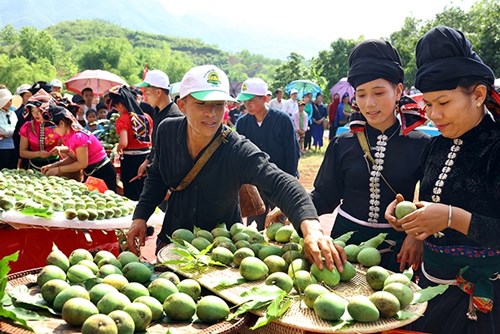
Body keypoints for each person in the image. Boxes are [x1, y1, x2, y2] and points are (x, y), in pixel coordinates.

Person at [126, 65, 345, 273]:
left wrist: (312, 230)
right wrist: (140, 217)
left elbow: (280, 182)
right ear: (182, 105)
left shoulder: (235, 147)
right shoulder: (167, 131)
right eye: (201, 104)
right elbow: (156, 177)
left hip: (221, 253)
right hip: (172, 240)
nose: (212, 113)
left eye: (218, 104)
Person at [267, 39, 430, 273]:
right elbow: (325, 196)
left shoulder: (422, 144)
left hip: (398, 250)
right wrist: (291, 206)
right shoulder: (342, 143)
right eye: (361, 95)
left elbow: (431, 202)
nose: (369, 103)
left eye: (379, 92)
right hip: (343, 246)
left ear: (398, 91)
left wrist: (417, 236)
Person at [385, 26, 500, 333]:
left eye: (444, 103)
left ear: (478, 95)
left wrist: (451, 218)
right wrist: (413, 223)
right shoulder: (436, 145)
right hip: (429, 288)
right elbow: (436, 201)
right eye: (429, 104)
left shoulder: (496, 146)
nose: (434, 114)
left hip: (482, 301)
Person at [235, 77, 300, 229]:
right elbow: (238, 153)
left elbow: (292, 152)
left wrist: (289, 180)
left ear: (265, 98)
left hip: (280, 180)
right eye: (245, 101)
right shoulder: (243, 123)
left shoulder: (283, 120)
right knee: (254, 228)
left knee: (279, 228)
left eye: (251, 100)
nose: (247, 104)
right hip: (255, 184)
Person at [41, 105, 117, 192]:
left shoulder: (77, 136)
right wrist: (54, 165)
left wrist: (59, 169)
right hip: (92, 171)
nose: (53, 131)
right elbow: (74, 157)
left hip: (103, 172)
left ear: (62, 123)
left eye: (53, 128)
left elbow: (81, 164)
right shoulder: (69, 135)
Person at [135, 69, 183, 180]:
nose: (145, 98)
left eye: (147, 93)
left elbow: (173, 156)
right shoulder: (157, 111)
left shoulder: (174, 117)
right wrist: (148, 160)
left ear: (158, 92)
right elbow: (157, 146)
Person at [108, 85, 153, 201]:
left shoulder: (123, 119)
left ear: (121, 105)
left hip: (131, 160)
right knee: (145, 189)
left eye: (116, 107)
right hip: (147, 157)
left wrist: (118, 147)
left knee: (132, 191)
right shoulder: (146, 117)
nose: (117, 110)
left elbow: (124, 142)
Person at [19, 90, 61, 171]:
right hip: (33, 168)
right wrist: (38, 154)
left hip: (55, 166)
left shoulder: (57, 125)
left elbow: (68, 146)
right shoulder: (27, 127)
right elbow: (22, 152)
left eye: (39, 111)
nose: (36, 115)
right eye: (33, 111)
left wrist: (59, 149)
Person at [14, 84, 33, 169]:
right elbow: (16, 134)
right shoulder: (18, 113)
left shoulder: (35, 111)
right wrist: (19, 155)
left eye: (31, 96)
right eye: (27, 96)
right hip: (23, 148)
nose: (29, 98)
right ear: (22, 97)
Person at [0, 86, 18, 170]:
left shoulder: (13, 113)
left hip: (13, 147)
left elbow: (11, 130)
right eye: (6, 101)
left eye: (10, 100)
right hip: (1, 148)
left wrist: (6, 133)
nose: (9, 103)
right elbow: (3, 130)